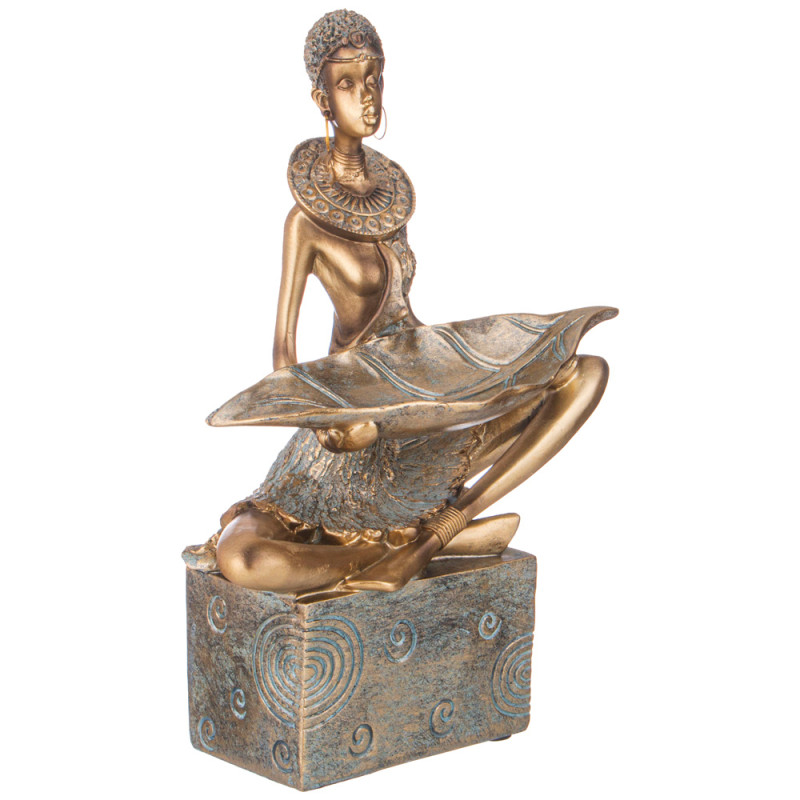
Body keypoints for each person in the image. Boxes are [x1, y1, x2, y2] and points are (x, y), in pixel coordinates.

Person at [183, 10, 616, 595]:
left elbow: (403, 322)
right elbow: (283, 356)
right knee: (244, 558)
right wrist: (328, 427)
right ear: (321, 98)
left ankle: (437, 535)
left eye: (374, 80)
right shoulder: (304, 224)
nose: (366, 97)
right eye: (347, 84)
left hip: (413, 404)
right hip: (346, 424)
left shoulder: (391, 202)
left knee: (585, 372)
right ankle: (393, 550)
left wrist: (466, 373)